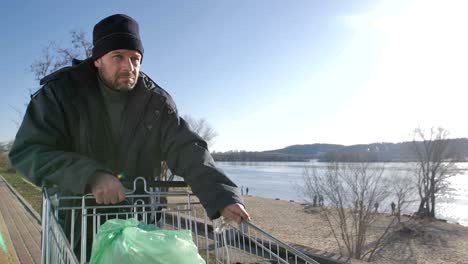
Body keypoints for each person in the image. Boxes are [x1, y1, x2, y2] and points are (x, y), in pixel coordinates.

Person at [9, 13, 250, 256]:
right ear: (97, 60)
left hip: (141, 229)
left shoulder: (156, 102)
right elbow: (29, 151)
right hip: (78, 229)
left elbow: (186, 148)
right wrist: (90, 174)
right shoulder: (60, 94)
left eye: (135, 58)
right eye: (118, 57)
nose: (129, 66)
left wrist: (222, 196)